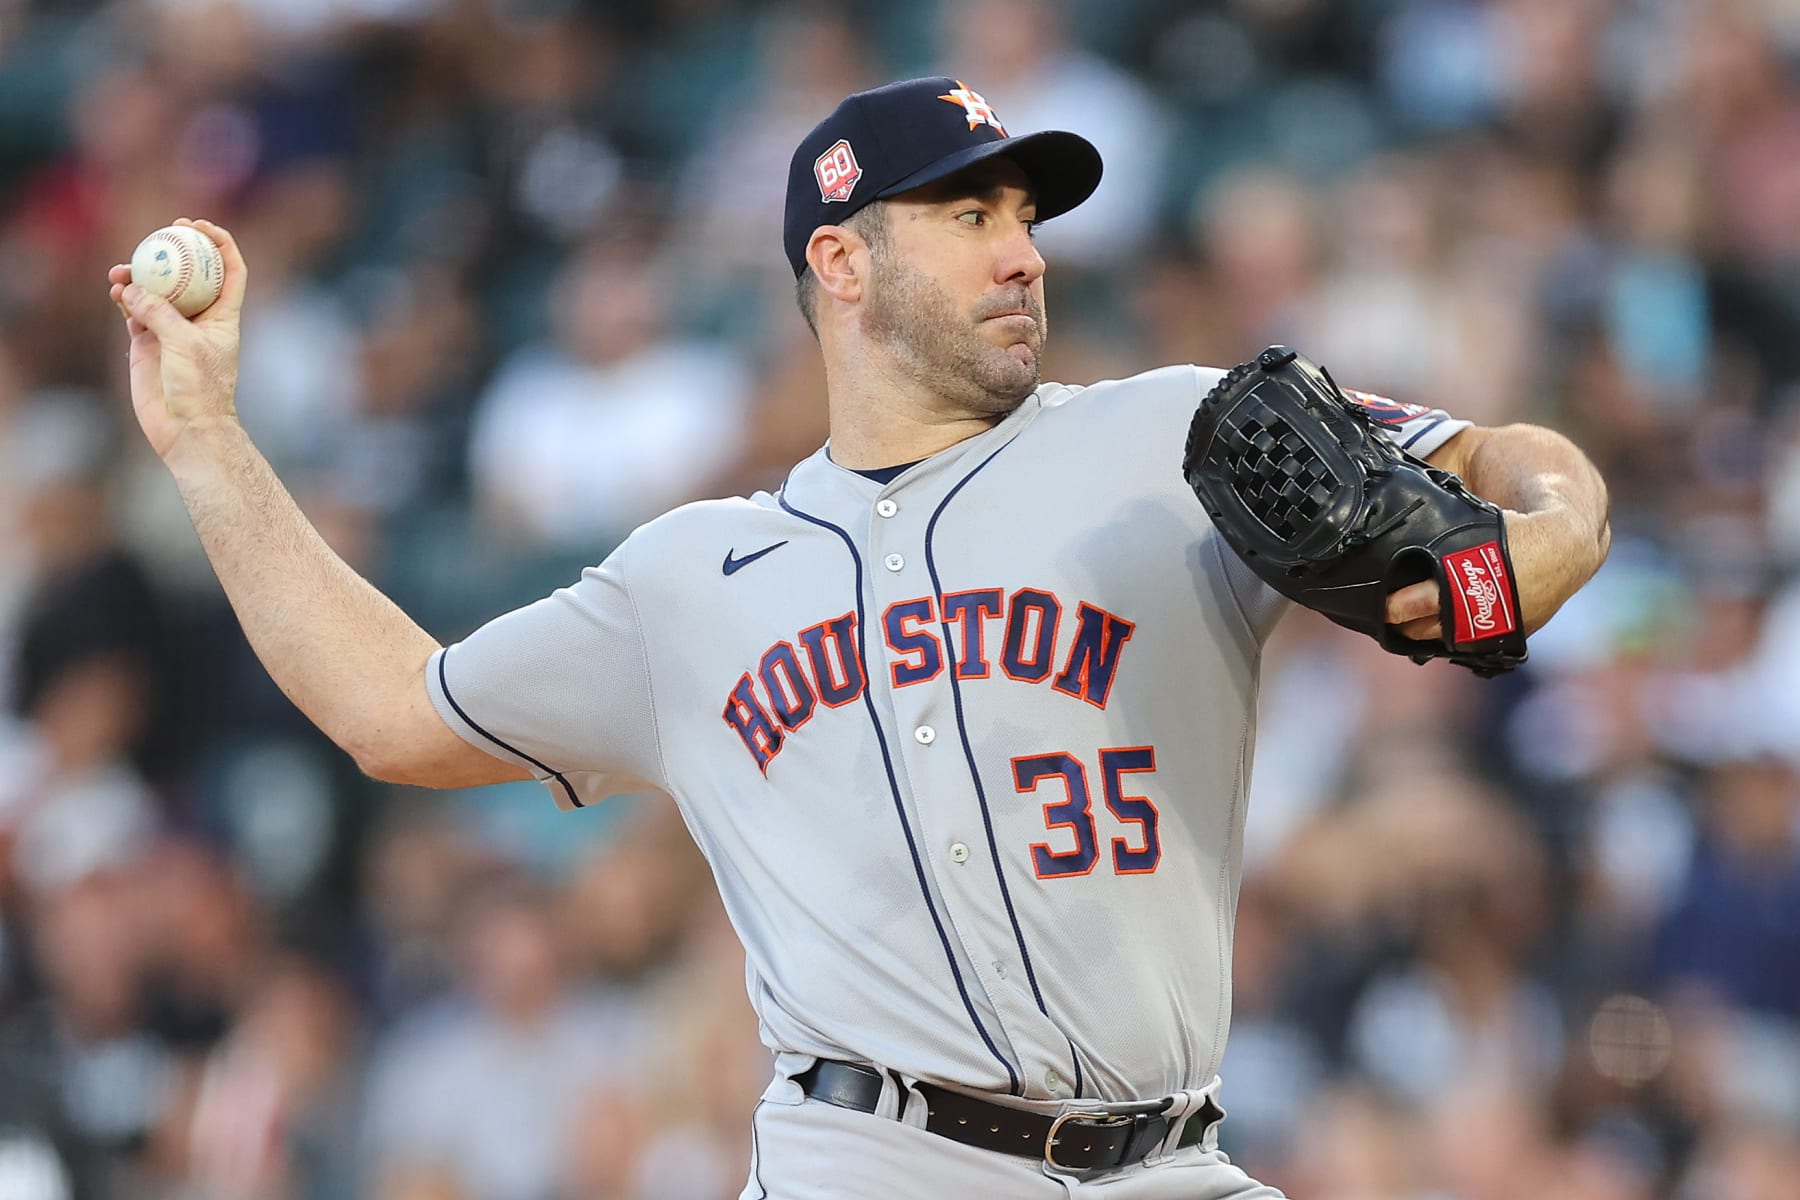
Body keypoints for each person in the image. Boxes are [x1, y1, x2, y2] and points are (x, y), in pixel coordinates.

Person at [107, 76, 1610, 1199]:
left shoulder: (1176, 435)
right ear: (839, 263)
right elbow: (393, 711)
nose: (1022, 253)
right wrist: (204, 440)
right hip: (871, 1163)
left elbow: (1522, 469)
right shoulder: (690, 579)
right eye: (970, 216)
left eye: (1025, 216)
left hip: (1173, 1161)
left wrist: (1532, 548)